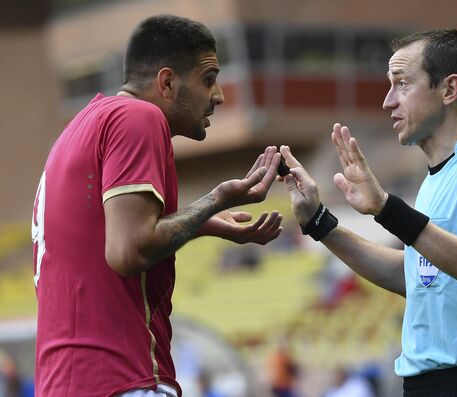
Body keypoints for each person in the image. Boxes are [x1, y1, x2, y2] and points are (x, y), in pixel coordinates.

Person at [31, 15, 283, 397]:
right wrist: (218, 198)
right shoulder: (139, 117)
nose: (219, 95)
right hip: (121, 377)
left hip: (68, 382)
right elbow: (128, 251)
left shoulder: (81, 126)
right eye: (208, 79)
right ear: (167, 82)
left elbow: (107, 237)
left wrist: (206, 221)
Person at [279, 29, 457, 396]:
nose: (387, 101)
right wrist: (320, 223)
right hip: (423, 386)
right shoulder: (432, 181)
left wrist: (386, 209)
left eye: (401, 84)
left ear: (449, 90)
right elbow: (414, 276)